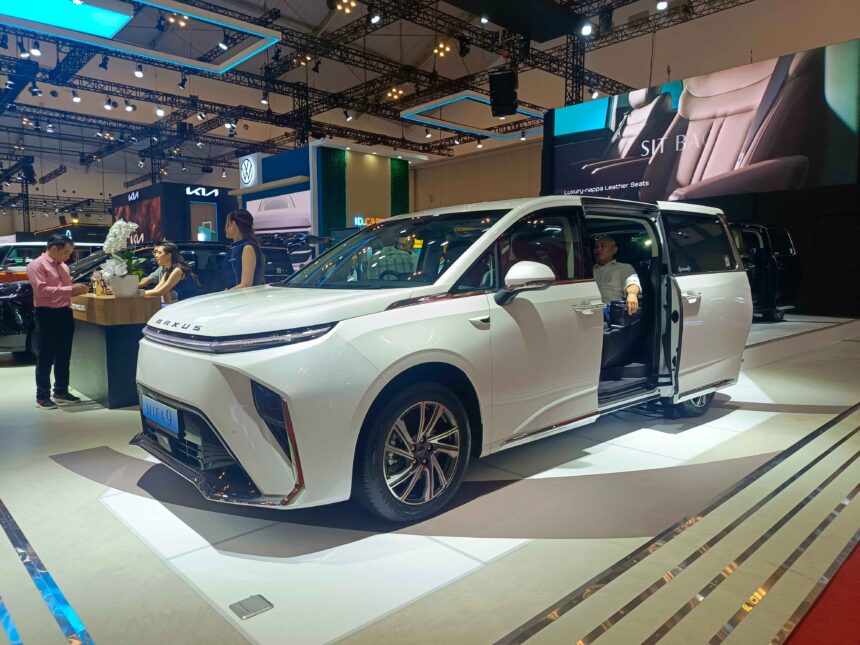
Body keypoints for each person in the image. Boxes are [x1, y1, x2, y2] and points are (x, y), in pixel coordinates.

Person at [26, 235, 90, 409]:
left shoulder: (63, 266)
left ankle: (61, 391)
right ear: (54, 248)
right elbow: (41, 290)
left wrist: (74, 289)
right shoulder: (36, 265)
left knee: (64, 354)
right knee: (45, 355)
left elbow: (62, 289)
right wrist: (71, 289)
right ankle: (42, 396)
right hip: (46, 313)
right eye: (66, 252)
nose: (68, 256)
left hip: (65, 312)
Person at [592, 235, 641, 316]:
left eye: (603, 246)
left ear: (614, 250)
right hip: (590, 309)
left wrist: (632, 294)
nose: (598, 249)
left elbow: (632, 283)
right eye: (596, 247)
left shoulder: (624, 267)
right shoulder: (588, 271)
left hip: (612, 311)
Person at [224, 209, 264, 289]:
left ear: (233, 224)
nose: (225, 228)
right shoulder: (233, 248)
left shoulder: (247, 248)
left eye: (227, 224)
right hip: (233, 294)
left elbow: (246, 284)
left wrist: (226, 293)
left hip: (241, 295)